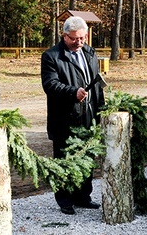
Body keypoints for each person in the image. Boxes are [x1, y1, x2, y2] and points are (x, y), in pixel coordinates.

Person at [41, 16, 105, 215]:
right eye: (74, 39)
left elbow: (96, 84)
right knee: (64, 160)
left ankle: (83, 197)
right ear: (64, 36)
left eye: (82, 38)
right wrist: (72, 92)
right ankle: (65, 200)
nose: (79, 42)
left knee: (87, 158)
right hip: (64, 119)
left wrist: (101, 111)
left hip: (88, 116)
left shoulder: (90, 52)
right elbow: (50, 85)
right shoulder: (52, 56)